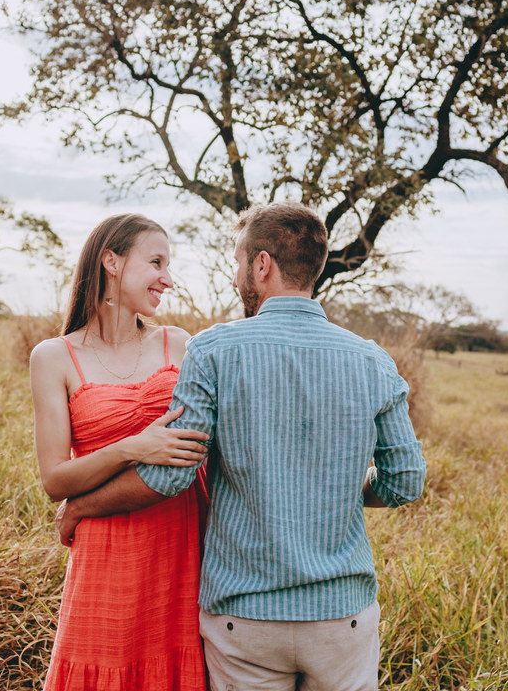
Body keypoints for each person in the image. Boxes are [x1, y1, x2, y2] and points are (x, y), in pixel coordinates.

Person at [56, 201, 427, 691]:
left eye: (237, 263)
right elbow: (405, 482)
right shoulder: (373, 360)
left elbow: (171, 475)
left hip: (244, 618)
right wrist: (342, 485)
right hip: (343, 619)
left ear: (262, 265)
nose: (235, 278)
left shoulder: (212, 350)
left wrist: (81, 505)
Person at [30, 213, 211, 690]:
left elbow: (202, 452)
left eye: (168, 265)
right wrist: (133, 446)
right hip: (105, 558)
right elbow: (55, 481)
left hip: (179, 549)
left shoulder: (179, 344)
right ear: (111, 260)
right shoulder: (54, 356)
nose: (167, 279)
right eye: (155, 262)